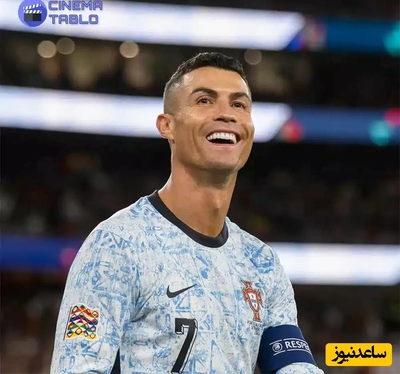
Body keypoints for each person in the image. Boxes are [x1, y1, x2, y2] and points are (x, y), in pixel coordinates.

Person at [50, 52, 324, 374]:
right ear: (167, 126)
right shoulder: (117, 245)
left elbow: (295, 368)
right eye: (205, 100)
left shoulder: (262, 264)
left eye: (239, 104)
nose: (227, 114)